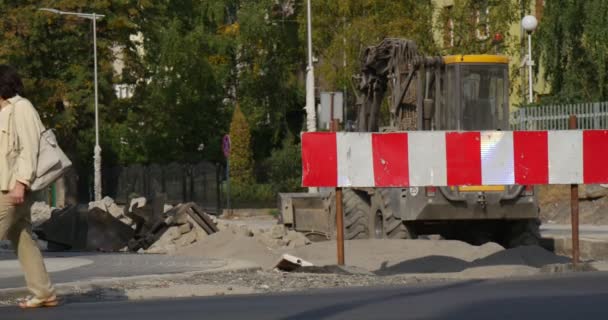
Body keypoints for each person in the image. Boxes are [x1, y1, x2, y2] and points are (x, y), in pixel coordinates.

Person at [0, 65, 57, 308]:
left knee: (20, 236)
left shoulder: (22, 108)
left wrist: (21, 183)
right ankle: (43, 291)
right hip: (8, 186)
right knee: (22, 238)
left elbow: (29, 148)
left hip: (11, 188)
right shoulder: (3, 111)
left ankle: (44, 291)